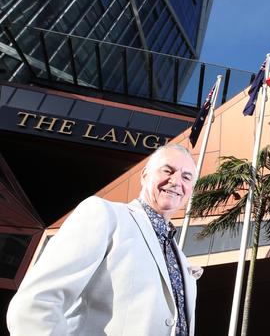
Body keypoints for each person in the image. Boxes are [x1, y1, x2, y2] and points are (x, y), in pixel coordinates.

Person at [7, 143, 201, 335]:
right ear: (144, 175)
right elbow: (36, 304)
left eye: (186, 177)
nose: (176, 181)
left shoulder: (181, 260)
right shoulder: (105, 215)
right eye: (168, 171)